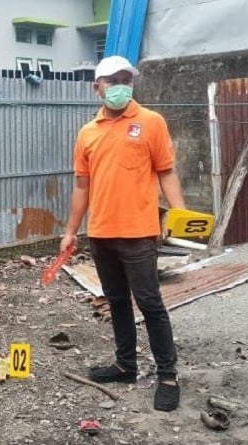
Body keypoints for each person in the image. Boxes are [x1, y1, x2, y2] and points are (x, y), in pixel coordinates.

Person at [60, 56, 186, 412]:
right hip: (101, 233)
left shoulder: (151, 122)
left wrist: (181, 218)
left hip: (139, 233)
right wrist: (70, 231)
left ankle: (167, 375)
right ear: (96, 87)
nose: (119, 86)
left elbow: (167, 173)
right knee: (116, 300)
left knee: (150, 303)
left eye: (125, 79)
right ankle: (125, 366)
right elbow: (81, 187)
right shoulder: (88, 133)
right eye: (111, 80)